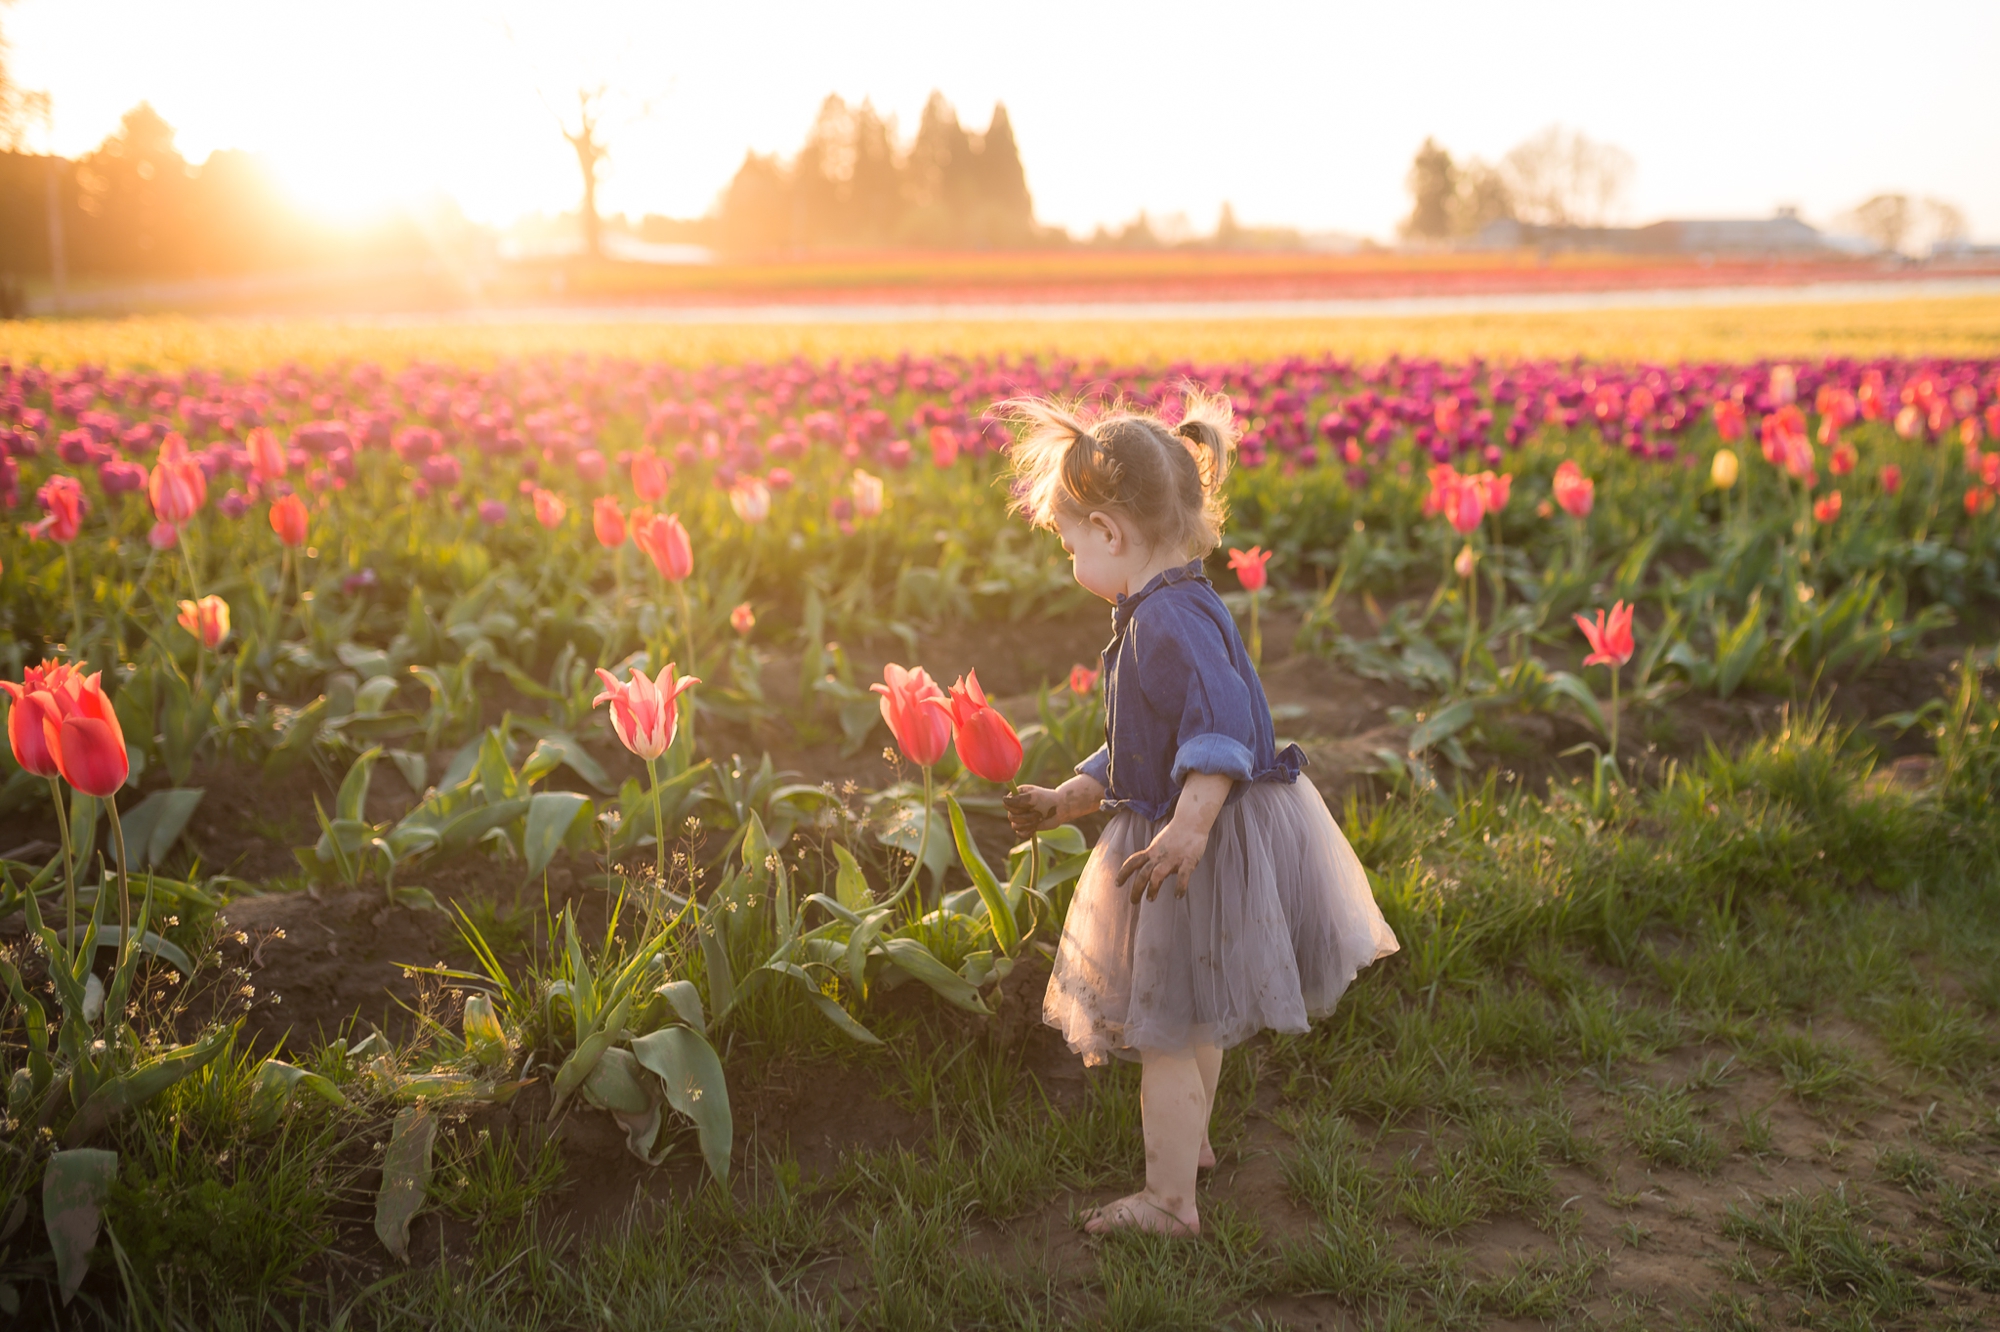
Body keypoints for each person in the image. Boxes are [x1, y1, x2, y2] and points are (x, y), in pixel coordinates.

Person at [1000, 389, 1399, 1238]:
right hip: (1202, 832)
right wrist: (1071, 795)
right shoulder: (1173, 605)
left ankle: (1168, 1201)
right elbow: (1154, 740)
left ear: (1109, 532)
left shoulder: (1164, 622)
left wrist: (1187, 826)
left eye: (1070, 544)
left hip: (1195, 840)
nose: (1072, 562)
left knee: (1166, 1035)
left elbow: (1217, 731)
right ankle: (1192, 1147)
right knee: (1193, 1009)